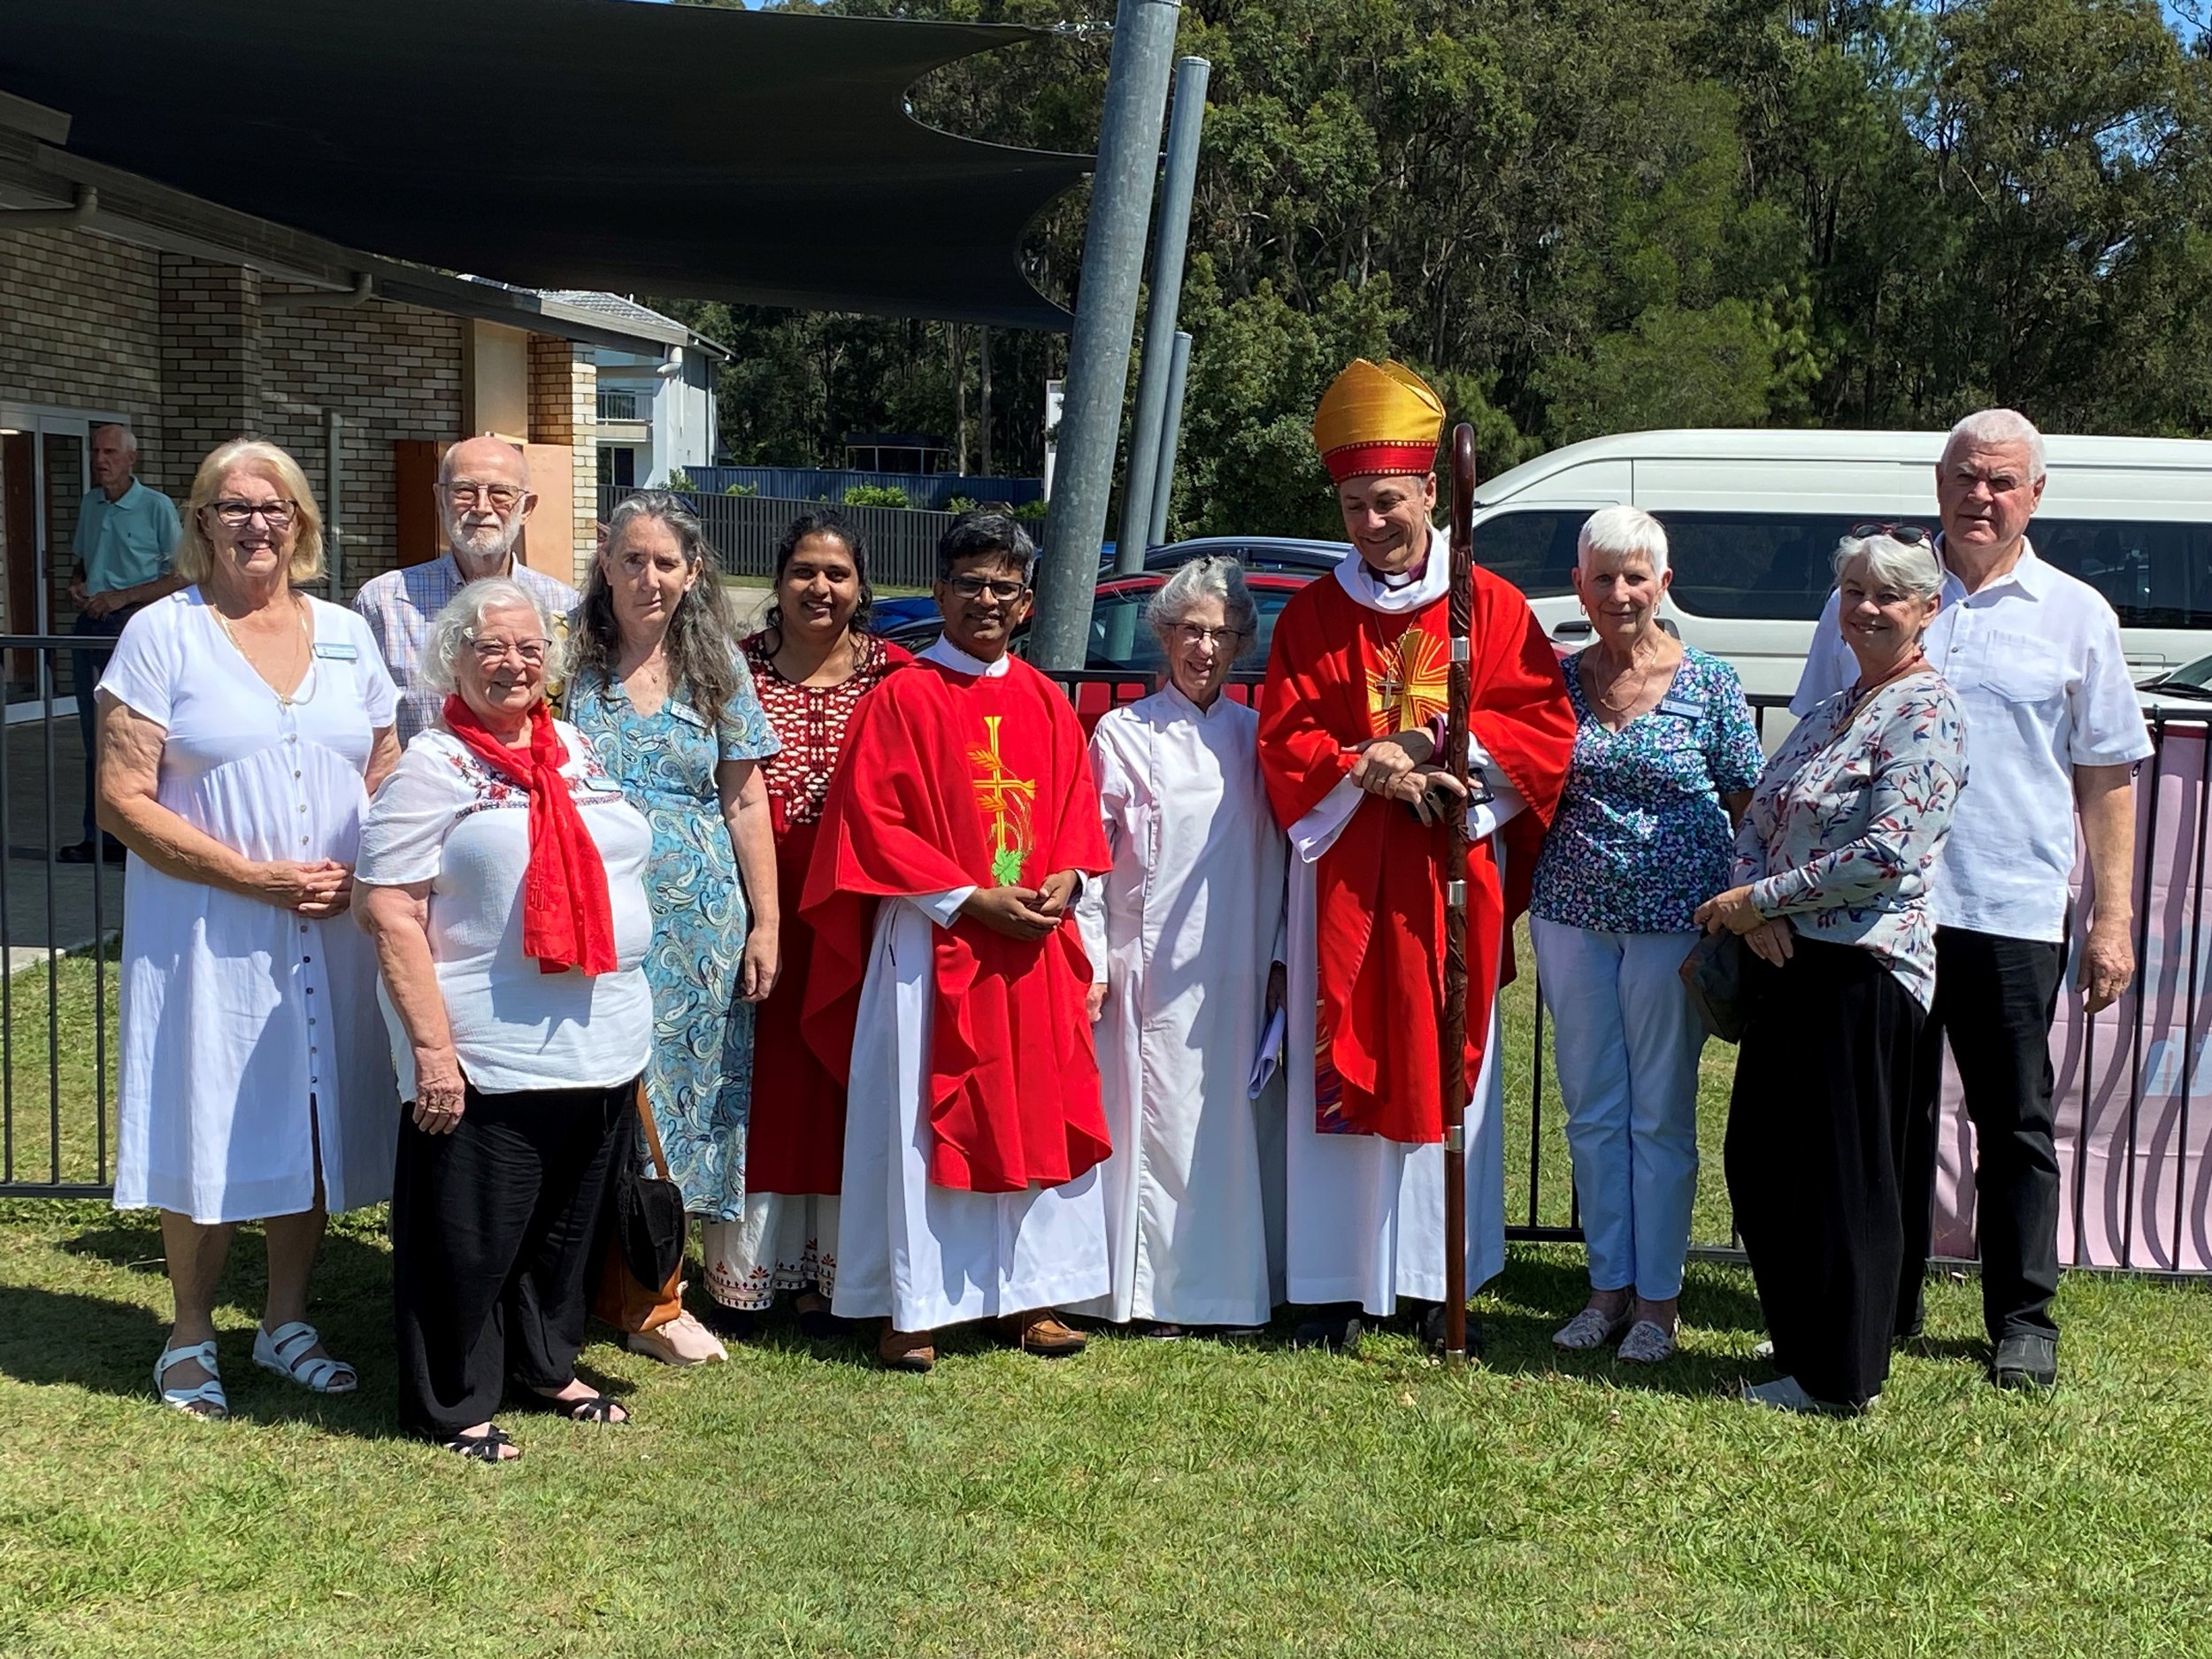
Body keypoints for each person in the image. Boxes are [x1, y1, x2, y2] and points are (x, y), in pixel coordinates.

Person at [1790, 410, 2152, 1391]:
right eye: (1963, 477)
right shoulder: (1872, 599)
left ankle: (2022, 1317)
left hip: (2010, 906)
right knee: (1885, 1117)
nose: (1979, 496)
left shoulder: (2075, 613)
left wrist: (2111, 919)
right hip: (1876, 913)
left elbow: (2106, 775)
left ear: (2035, 494)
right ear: (1938, 484)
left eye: (2000, 481)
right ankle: (1885, 1297)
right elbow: (1816, 741)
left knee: (2014, 1120)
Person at [1257, 359, 1576, 1355]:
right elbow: (1285, 735)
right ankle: (1339, 1281)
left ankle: (1445, 1279)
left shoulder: (1489, 604)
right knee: (1343, 1052)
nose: (1370, 525)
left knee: (1445, 1058)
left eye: (1387, 502)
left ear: (1431, 492)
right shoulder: (1315, 614)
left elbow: (1539, 726)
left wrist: (1447, 757)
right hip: (1349, 873)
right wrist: (1367, 770)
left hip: (1447, 871)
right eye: (1353, 506)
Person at [97, 439, 399, 1417]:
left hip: (335, 927)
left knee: (310, 1114)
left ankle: (285, 1321)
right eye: (233, 508)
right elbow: (121, 798)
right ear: (201, 523)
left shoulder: (350, 633)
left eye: (273, 509)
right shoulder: (162, 635)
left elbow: (387, 759)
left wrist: (371, 862)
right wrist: (251, 876)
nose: (254, 525)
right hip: (210, 931)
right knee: (208, 1111)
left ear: (302, 524)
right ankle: (189, 1333)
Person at [802, 512, 1111, 1372]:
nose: (985, 599)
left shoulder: (1047, 702)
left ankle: (1031, 1298)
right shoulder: (900, 696)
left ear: (1025, 604)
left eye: (1002, 587)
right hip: (932, 939)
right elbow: (873, 819)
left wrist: (1068, 880)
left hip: (1028, 952)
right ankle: (912, 1304)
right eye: (969, 583)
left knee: (1031, 1115)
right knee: (911, 1124)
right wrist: (972, 897)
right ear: (938, 593)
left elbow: (1075, 819)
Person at [357, 579, 655, 1462]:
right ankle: (452, 1400)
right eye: (491, 647)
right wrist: (432, 1053)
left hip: (599, 1038)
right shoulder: (435, 765)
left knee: (564, 1232)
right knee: (471, 1239)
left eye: (530, 648)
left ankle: (544, 1363)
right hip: (487, 1049)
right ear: (452, 657)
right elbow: (389, 909)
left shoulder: (576, 750)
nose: (514, 663)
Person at [1712, 533, 1966, 1414]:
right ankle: (1803, 1336)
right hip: (1789, 961)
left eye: (1887, 595)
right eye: (1852, 590)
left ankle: (1839, 1376)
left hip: (1864, 969)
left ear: (1926, 612)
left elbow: (1889, 851)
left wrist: (1764, 901)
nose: (1864, 607)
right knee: (1762, 1159)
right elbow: (1760, 809)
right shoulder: (1829, 709)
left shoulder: (1927, 715)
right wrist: (1751, 905)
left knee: (1842, 1174)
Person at [1529, 507, 1763, 1364]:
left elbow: (1750, 801)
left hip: (1676, 924)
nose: (1620, 593)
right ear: (1579, 588)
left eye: (1636, 576)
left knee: (1658, 1114)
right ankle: (1605, 1292)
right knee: (1591, 1109)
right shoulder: (1555, 681)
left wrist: (1749, 900)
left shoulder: (1709, 683)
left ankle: (1658, 1304)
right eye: (1603, 577)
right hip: (1571, 917)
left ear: (1664, 584)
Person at [565, 492, 780, 1366]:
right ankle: (577, 1277)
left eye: (665, 562)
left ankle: (657, 1294)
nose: (647, 577)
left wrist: (766, 922)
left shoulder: (717, 667)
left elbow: (746, 797)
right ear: (605, 563)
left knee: (680, 1108)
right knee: (587, 1090)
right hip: (585, 914)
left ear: (692, 573)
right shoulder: (566, 664)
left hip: (696, 928)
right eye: (631, 559)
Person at [1073, 556, 1289, 1336]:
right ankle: (1141, 1293)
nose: (1205, 647)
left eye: (1223, 634)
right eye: (1192, 630)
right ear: (1164, 634)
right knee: (1147, 1124)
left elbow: (1284, 856)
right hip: (1144, 967)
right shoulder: (1121, 733)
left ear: (1241, 647)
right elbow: (1090, 859)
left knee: (1223, 1128)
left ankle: (1226, 1292)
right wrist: (1093, 958)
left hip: (1234, 963)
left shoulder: (1258, 738)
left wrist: (1280, 959)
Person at [718, 511, 909, 1335]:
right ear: (778, 578)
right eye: (803, 570)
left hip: (864, 907)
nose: (820, 588)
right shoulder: (732, 668)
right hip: (757, 899)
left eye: (837, 573)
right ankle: (749, 1276)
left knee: (843, 1077)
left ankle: (842, 1274)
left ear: (861, 585)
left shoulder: (896, 675)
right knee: (766, 1083)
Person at [353, 435, 580, 748]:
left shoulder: (564, 606)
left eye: (501, 493)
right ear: (441, 500)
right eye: (465, 491)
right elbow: (360, 722)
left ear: (526, 508)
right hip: (421, 790)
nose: (482, 507)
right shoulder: (384, 602)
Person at [66, 422, 183, 863]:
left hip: (133, 625)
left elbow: (181, 575)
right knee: (92, 734)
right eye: (96, 451)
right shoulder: (90, 505)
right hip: (91, 625)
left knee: (134, 734)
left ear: (132, 458)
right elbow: (81, 564)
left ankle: (139, 835)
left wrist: (122, 596)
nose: (101, 460)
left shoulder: (155, 507)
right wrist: (78, 585)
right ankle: (98, 837)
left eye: (110, 452)